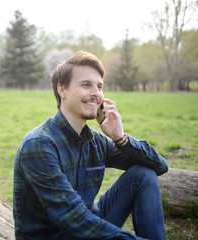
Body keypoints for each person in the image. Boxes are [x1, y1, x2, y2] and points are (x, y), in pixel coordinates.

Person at [13, 51, 168, 240]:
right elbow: (75, 220)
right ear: (62, 89)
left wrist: (120, 138)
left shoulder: (96, 141)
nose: (96, 93)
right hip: (59, 234)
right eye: (86, 85)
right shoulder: (39, 145)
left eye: (100, 86)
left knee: (143, 175)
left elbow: (160, 166)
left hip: (87, 224)